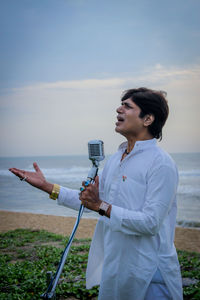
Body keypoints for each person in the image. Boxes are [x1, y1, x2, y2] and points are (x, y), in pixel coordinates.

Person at [9, 87, 183, 300]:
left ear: (147, 119)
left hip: (150, 272)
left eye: (127, 106)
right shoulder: (115, 159)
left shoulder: (161, 163)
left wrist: (100, 205)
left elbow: (150, 223)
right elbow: (90, 202)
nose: (118, 109)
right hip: (114, 265)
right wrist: (47, 186)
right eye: (121, 104)